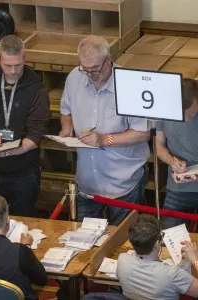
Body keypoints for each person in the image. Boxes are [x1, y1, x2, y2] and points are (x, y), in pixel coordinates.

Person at [59, 35, 151, 225]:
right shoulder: (75, 77)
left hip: (123, 181)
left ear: (109, 60)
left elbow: (143, 132)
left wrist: (104, 140)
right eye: (85, 69)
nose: (90, 74)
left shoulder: (130, 85)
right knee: (85, 242)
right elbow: (66, 110)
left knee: (123, 242)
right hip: (87, 181)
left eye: (95, 69)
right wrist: (66, 128)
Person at [0, 35, 50, 217]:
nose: (13, 71)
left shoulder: (37, 87)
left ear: (25, 58)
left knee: (23, 222)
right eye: (7, 65)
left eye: (18, 65)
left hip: (24, 171)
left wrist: (8, 152)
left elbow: (37, 133)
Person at [117, 214, 198, 299]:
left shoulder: (122, 259)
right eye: (162, 235)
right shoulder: (173, 274)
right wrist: (194, 259)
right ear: (156, 243)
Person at [156, 78, 198, 229]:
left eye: (192, 115)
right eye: (182, 115)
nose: (187, 119)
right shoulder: (163, 109)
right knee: (169, 237)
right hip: (178, 188)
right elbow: (158, 145)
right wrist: (172, 161)